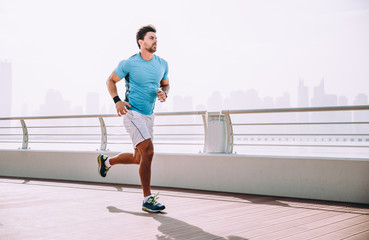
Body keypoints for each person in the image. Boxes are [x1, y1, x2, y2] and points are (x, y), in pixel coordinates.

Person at [97, 25, 169, 213]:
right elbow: (110, 81)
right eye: (151, 38)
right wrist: (117, 101)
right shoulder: (129, 63)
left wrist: (164, 93)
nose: (155, 41)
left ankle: (106, 162)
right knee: (149, 151)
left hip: (148, 115)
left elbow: (166, 85)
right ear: (141, 42)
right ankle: (147, 199)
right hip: (132, 113)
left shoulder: (162, 64)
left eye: (156, 38)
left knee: (139, 158)